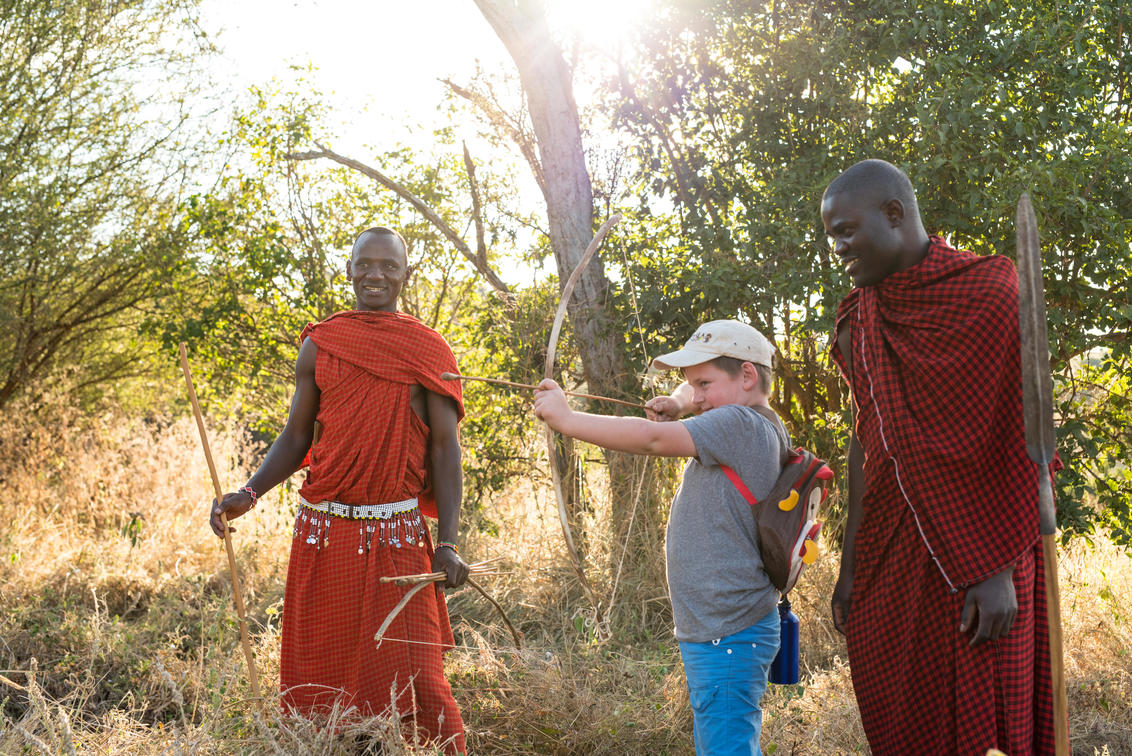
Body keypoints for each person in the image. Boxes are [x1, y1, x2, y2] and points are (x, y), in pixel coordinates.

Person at [822, 159, 1058, 754]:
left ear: (894, 214)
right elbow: (868, 441)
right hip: (898, 549)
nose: (838, 248)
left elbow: (1016, 438)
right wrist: (850, 565)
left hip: (991, 555)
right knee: (907, 711)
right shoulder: (858, 318)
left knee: (988, 716)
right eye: (831, 237)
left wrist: (995, 567)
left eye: (846, 231)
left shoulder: (990, 293)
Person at [211, 226, 469, 754]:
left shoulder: (427, 349)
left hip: (398, 536)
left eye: (389, 266)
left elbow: (446, 450)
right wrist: (248, 493)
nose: (376, 275)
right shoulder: (321, 343)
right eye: (365, 264)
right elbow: (296, 437)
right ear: (349, 270)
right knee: (320, 677)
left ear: (406, 274)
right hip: (323, 534)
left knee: (419, 677)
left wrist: (448, 541)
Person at [534, 320, 786, 755]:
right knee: (723, 740)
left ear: (747, 376)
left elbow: (649, 438)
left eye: (704, 384)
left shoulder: (738, 423)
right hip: (725, 627)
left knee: (726, 745)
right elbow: (692, 395)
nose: (697, 395)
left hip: (728, 632)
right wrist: (680, 401)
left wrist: (566, 419)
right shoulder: (753, 420)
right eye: (693, 384)